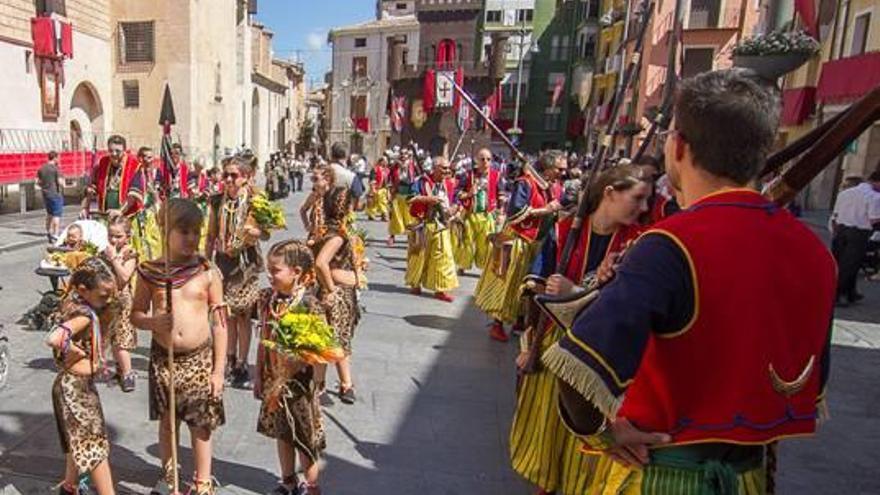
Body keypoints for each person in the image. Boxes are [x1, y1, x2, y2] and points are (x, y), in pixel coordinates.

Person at [542, 70, 836, 493]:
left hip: (664, 475)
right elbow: (810, 384)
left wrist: (602, 434)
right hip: (749, 478)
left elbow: (579, 367)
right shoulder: (816, 253)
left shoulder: (669, 245)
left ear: (678, 147)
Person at [509, 165, 649, 494]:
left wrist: (578, 290)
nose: (643, 208)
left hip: (604, 353)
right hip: (555, 342)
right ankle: (545, 480)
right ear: (609, 194)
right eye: (637, 198)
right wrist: (530, 346)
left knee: (590, 432)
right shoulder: (563, 231)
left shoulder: (640, 243)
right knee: (547, 424)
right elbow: (534, 287)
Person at [131, 198, 227, 495]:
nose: (191, 238)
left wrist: (219, 371)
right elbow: (135, 314)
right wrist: (152, 323)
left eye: (196, 232)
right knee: (167, 422)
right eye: (183, 231)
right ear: (164, 229)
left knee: (201, 425)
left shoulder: (208, 272)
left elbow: (221, 323)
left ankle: (202, 482)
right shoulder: (150, 272)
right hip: (165, 360)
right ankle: (171, 476)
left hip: (199, 359)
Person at [254, 240, 326, 495]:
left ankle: (312, 484)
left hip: (300, 383)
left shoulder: (309, 304)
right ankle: (288, 480)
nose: (269, 275)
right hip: (274, 379)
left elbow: (321, 349)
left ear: (296, 272)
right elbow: (263, 337)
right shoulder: (268, 299)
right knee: (282, 432)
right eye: (268, 269)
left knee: (304, 437)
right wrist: (259, 375)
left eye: (275, 270)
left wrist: (316, 379)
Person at [44, 256, 119, 495]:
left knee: (77, 442)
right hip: (73, 389)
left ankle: (69, 487)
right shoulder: (84, 315)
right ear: (83, 291)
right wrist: (71, 348)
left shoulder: (80, 306)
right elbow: (54, 337)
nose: (108, 301)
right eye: (103, 296)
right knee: (93, 446)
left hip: (76, 385)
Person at [474, 151, 566, 342]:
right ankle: (497, 323)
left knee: (527, 286)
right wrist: (545, 210)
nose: (562, 172)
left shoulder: (556, 187)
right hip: (517, 240)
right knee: (507, 283)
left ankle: (520, 321)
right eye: (559, 168)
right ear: (548, 168)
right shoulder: (525, 183)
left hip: (537, 244)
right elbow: (514, 213)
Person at [205, 155, 268, 389]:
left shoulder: (255, 201)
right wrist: (205, 262)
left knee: (242, 315)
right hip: (223, 262)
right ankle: (228, 356)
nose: (229, 179)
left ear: (245, 178)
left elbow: (266, 233)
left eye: (234, 175)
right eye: (226, 175)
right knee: (225, 313)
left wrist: (255, 232)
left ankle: (242, 361)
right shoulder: (215, 201)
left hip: (246, 264)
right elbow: (211, 234)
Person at [313, 186, 361, 404]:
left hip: (334, 291)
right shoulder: (337, 236)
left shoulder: (324, 230)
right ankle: (330, 386)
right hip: (336, 294)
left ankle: (339, 383)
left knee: (334, 339)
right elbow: (321, 262)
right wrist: (331, 288)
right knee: (335, 340)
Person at [405, 157, 459, 302]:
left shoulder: (449, 184)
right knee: (418, 256)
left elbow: (455, 200)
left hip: (441, 225)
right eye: (443, 168)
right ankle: (415, 283)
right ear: (434, 168)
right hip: (423, 223)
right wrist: (428, 200)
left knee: (444, 257)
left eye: (448, 169)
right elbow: (410, 199)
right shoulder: (421, 182)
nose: (447, 171)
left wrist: (454, 208)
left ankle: (440, 289)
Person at [830, 169, 880, 307]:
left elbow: (835, 214)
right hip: (859, 233)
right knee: (850, 264)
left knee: (838, 262)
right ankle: (839, 295)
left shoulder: (845, 193)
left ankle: (850, 292)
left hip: (841, 229)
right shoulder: (874, 197)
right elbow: (874, 220)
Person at [103, 216, 139, 392]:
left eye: (118, 236)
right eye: (111, 235)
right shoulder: (108, 251)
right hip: (109, 300)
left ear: (128, 236)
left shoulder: (129, 253)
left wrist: (114, 259)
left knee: (121, 341)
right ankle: (119, 371)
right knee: (112, 339)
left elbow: (124, 277)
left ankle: (128, 373)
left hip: (123, 302)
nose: (113, 240)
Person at [454, 148, 503, 273]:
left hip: (487, 215)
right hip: (470, 214)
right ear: (477, 160)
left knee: (486, 243)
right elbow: (457, 192)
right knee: (467, 241)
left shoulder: (496, 175)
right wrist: (469, 194)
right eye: (482, 159)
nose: (485, 161)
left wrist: (501, 212)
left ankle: (484, 267)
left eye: (488, 159)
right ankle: (463, 264)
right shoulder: (468, 175)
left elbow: (501, 194)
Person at [82, 135, 145, 219]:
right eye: (111, 151)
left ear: (124, 151)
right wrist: (85, 208)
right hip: (106, 214)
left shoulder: (134, 165)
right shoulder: (103, 162)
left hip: (128, 216)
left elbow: (133, 195)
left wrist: (120, 211)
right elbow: (92, 188)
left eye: (117, 151)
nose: (114, 154)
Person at [387, 149, 418, 246]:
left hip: (409, 192)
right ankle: (392, 236)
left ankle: (410, 237)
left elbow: (418, 176)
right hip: (398, 192)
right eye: (402, 154)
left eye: (405, 154)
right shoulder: (395, 166)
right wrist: (390, 190)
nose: (403, 156)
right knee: (395, 216)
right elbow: (389, 178)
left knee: (410, 217)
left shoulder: (413, 165)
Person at [37, 150, 65, 243]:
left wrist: (45, 187)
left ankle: (48, 232)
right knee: (56, 215)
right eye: (58, 158)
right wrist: (65, 184)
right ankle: (56, 234)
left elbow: (38, 182)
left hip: (46, 194)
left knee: (49, 214)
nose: (59, 160)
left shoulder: (42, 168)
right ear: (55, 158)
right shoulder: (56, 169)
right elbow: (60, 182)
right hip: (55, 194)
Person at [365, 157, 391, 221]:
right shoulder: (375, 169)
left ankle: (384, 215)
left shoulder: (387, 170)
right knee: (373, 203)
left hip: (383, 189)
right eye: (385, 161)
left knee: (383, 202)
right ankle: (371, 215)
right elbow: (372, 179)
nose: (386, 162)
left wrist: (388, 191)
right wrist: (372, 188)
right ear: (381, 161)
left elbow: (388, 181)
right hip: (375, 188)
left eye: (387, 161)